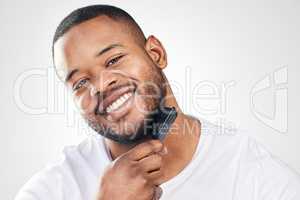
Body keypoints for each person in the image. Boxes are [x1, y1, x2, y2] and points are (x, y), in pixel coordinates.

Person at [15, 5, 300, 200]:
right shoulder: (52, 189)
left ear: (156, 53)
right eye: (80, 83)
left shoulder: (255, 175)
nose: (101, 86)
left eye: (114, 60)